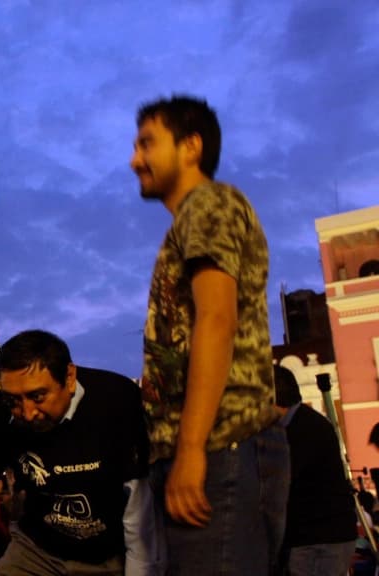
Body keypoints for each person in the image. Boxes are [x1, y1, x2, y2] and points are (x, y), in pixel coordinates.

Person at [132, 94, 290, 574]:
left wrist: (191, 448)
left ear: (191, 147)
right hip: (212, 451)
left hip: (222, 447)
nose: (134, 159)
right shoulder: (189, 221)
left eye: (147, 143)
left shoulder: (209, 202)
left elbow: (216, 319)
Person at [0, 329, 161, 575]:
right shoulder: (2, 412)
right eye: (14, 400)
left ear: (69, 377)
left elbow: (139, 509)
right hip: (37, 551)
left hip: (107, 556)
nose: (28, 413)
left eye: (38, 396)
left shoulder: (116, 400)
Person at [272, 365, 357, 575]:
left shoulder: (303, 429)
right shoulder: (305, 422)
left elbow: (283, 480)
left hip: (317, 540)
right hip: (321, 537)